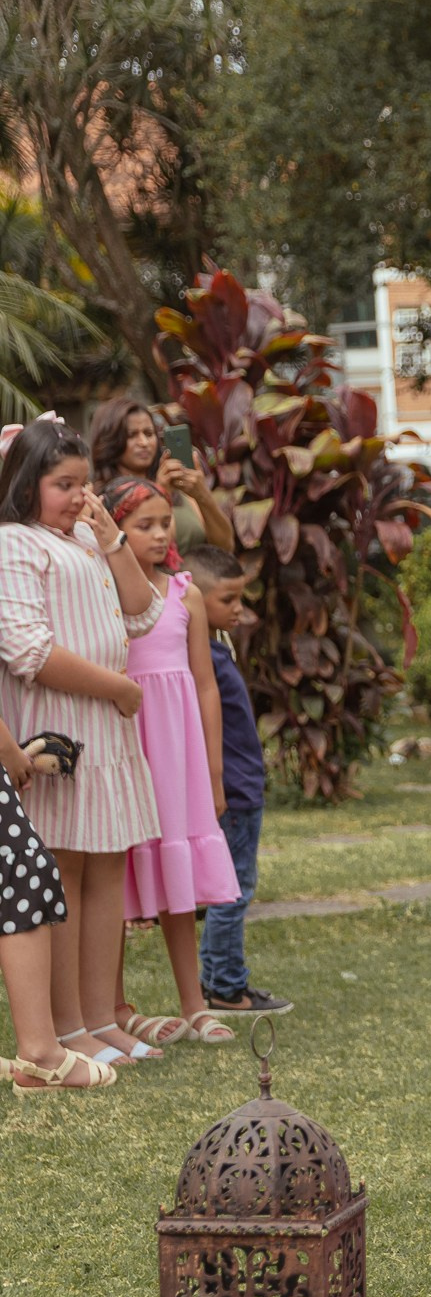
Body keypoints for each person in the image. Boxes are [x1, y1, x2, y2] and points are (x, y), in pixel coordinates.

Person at [0, 418, 168, 1067]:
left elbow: (144, 612)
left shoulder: (86, 540)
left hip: (109, 735)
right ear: (25, 484)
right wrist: (115, 690)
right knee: (63, 874)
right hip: (67, 722)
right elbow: (28, 650)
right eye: (62, 484)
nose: (77, 496)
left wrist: (113, 538)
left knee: (107, 869)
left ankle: (101, 1017)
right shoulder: (17, 543)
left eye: (84, 483)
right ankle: (67, 1027)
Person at [0, 419, 112, 1093]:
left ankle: (41, 1049)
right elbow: (27, 649)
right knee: (29, 877)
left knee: (27, 876)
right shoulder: (16, 546)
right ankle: (41, 1051)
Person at [106, 481, 239, 1044]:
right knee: (113, 880)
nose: (160, 534)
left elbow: (206, 686)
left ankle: (194, 1005)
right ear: (114, 531)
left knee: (177, 880)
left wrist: (212, 771)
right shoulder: (102, 593)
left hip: (178, 751)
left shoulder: (185, 593)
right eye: (145, 525)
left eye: (165, 523)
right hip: (127, 747)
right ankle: (112, 1007)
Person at [182, 545, 289, 1018]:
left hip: (244, 783)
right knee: (234, 888)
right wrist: (219, 785)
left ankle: (220, 980)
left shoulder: (215, 643)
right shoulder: (197, 652)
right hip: (235, 791)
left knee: (233, 885)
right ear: (194, 598)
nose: (239, 611)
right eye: (228, 600)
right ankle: (226, 986)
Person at [87, 396, 234, 555]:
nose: (143, 442)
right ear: (110, 441)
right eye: (132, 435)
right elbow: (150, 554)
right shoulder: (104, 500)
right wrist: (161, 492)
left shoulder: (179, 487)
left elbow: (225, 547)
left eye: (149, 433)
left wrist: (202, 495)